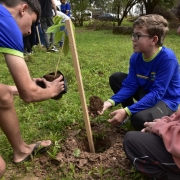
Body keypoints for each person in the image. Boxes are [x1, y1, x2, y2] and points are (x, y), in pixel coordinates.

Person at [0, 0, 65, 177]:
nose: (30, 30)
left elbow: (21, 90)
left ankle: (21, 150)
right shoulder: (6, 22)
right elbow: (28, 95)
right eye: (33, 22)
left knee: (3, 94)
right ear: (23, 9)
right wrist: (52, 90)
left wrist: (18, 88)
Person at [99, 14, 180, 131]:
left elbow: (157, 93)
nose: (133, 39)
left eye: (138, 36)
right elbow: (131, 85)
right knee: (116, 78)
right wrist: (109, 103)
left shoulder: (167, 59)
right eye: (133, 35)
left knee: (138, 119)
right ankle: (130, 111)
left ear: (154, 39)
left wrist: (128, 111)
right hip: (147, 93)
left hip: (166, 100)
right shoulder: (136, 57)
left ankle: (137, 113)